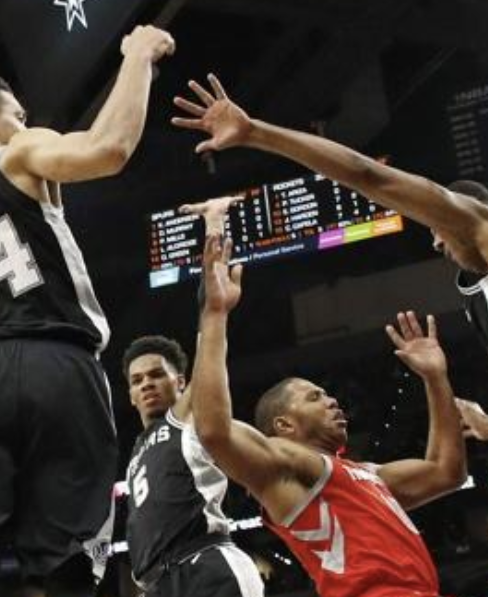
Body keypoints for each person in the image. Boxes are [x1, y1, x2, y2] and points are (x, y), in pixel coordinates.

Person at [172, 75, 488, 597]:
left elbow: (369, 175)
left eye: (436, 230)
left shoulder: (484, 228)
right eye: (315, 397)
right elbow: (447, 470)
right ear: (284, 424)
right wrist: (447, 385)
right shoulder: (300, 467)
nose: (437, 243)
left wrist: (256, 132)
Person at [0, 24, 175, 597]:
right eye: (17, 114)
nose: (24, 123)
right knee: (66, 558)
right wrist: (138, 57)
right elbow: (109, 148)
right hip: (54, 360)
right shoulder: (15, 152)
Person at [190, 225, 466, 597]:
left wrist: (435, 378)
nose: (332, 401)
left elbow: (446, 472)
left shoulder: (368, 474)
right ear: (284, 424)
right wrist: (214, 314)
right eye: (314, 397)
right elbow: (214, 430)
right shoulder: (287, 466)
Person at [122, 333, 264, 597]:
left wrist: (212, 318)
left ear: (180, 382)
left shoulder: (185, 420)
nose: (146, 384)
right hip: (158, 584)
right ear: (131, 395)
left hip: (205, 564)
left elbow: (207, 365)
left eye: (156, 375)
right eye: (137, 380)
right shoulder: (135, 454)